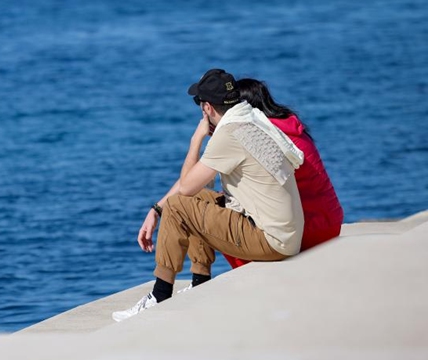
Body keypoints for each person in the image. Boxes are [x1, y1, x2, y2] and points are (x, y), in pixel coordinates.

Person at [112, 68, 305, 321]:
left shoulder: (230, 134)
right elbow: (197, 185)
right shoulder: (250, 119)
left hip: (272, 241)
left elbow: (185, 188)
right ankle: (200, 282)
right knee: (198, 199)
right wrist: (156, 209)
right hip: (285, 234)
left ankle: (159, 296)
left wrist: (197, 139)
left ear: (207, 109)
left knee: (180, 206)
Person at [222, 79, 343, 269]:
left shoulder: (264, 136)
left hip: (309, 231)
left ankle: (246, 270)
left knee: (220, 214)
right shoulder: (290, 125)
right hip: (331, 223)